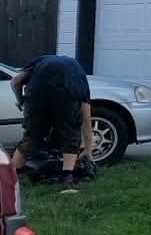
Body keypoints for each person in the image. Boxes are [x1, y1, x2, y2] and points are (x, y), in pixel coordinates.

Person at [10, 54, 92, 193]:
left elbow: (16, 81)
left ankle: (10, 179)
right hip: (67, 95)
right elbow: (86, 118)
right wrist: (88, 150)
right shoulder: (78, 77)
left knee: (31, 135)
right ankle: (67, 179)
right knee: (71, 132)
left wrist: (20, 100)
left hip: (36, 95)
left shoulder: (39, 63)